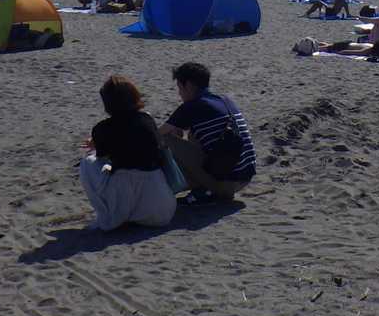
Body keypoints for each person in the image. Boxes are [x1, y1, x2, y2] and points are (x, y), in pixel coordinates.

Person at [78, 76, 177, 230]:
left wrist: (97, 143)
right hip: (161, 209)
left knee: (88, 163)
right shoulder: (147, 120)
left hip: (126, 196)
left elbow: (104, 157)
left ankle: (107, 214)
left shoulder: (103, 128)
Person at [160, 62, 256, 205]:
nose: (179, 93)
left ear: (189, 85)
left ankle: (200, 188)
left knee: (165, 138)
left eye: (180, 87)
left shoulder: (193, 106)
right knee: (193, 133)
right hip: (244, 178)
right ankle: (204, 186)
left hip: (225, 182)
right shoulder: (225, 100)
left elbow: (157, 134)